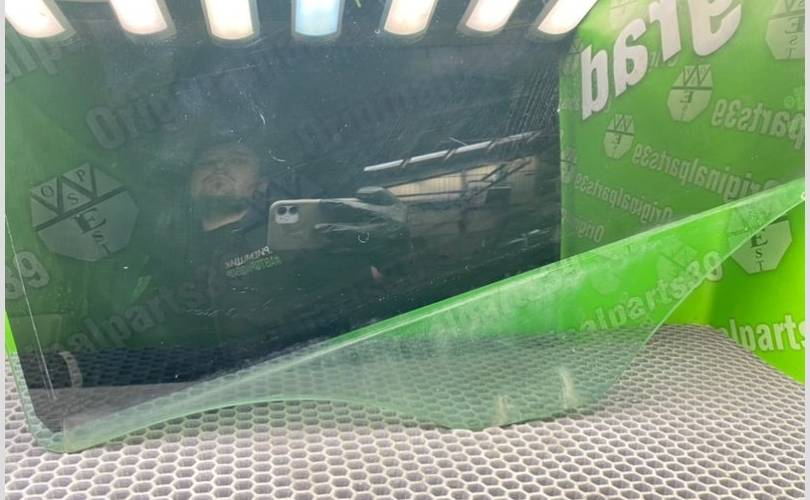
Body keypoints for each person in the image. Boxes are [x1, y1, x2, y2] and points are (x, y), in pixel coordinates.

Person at [182, 140, 412, 360]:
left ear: (261, 183)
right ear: (190, 184)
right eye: (207, 163)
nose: (219, 168)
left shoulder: (301, 238)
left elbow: (381, 280)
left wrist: (396, 254)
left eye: (237, 160)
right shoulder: (168, 255)